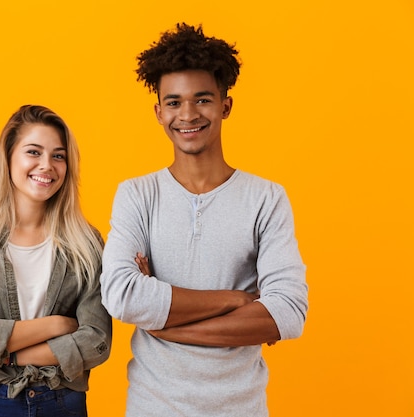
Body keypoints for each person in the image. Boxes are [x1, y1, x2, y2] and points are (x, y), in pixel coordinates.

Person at [100, 23, 309, 416]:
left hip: (241, 408)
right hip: (153, 406)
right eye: (174, 102)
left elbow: (288, 312)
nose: (188, 115)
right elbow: (123, 296)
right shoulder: (137, 195)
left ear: (225, 106)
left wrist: (163, 323)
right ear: (158, 112)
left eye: (202, 99)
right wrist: (234, 300)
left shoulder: (265, 198)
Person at [0, 104, 111, 417]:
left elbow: (96, 341)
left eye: (58, 156)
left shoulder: (86, 243)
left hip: (61, 403)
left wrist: (10, 356)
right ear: (8, 157)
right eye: (34, 152)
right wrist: (57, 325)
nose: (47, 165)